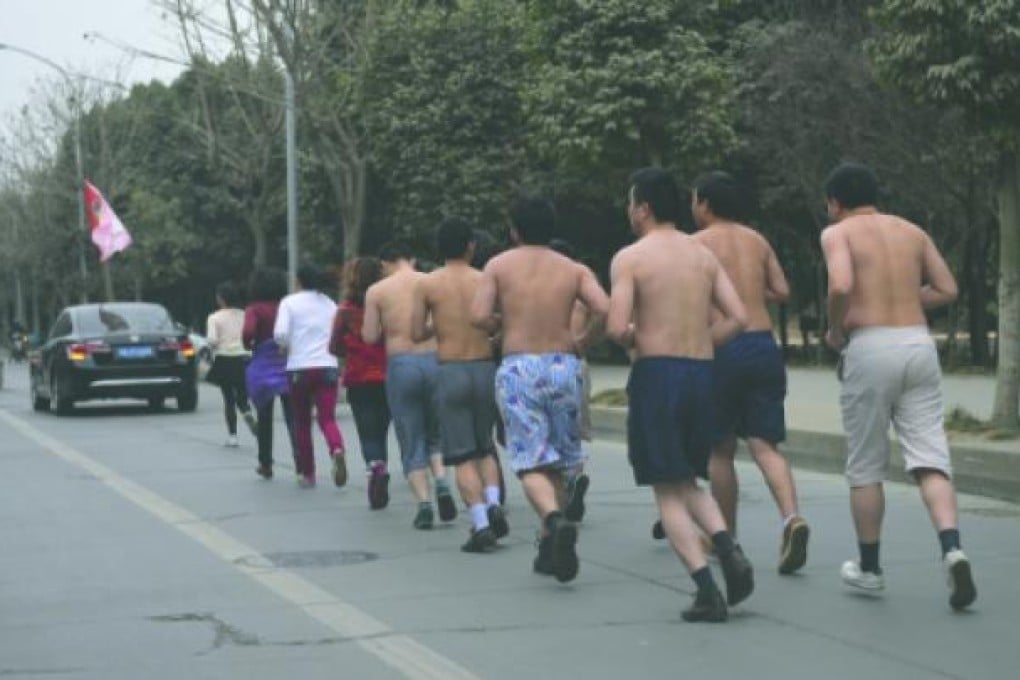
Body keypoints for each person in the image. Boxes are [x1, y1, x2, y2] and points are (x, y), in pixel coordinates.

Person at [820, 161, 976, 610]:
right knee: (930, 456)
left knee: (866, 462)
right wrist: (908, 297)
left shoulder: (839, 233)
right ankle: (952, 548)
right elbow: (947, 288)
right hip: (918, 345)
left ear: (835, 202)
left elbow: (842, 283)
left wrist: (836, 328)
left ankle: (869, 569)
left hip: (870, 347)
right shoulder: (912, 231)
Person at [607, 167, 754, 623]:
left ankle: (706, 588)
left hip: (658, 374)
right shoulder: (702, 255)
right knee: (690, 479)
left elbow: (615, 327)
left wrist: (637, 336)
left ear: (644, 208)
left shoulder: (630, 258)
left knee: (666, 491)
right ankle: (726, 545)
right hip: (702, 372)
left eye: (631, 203)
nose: (629, 212)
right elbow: (738, 317)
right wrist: (703, 340)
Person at [471, 196, 609, 582]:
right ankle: (551, 545)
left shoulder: (498, 265)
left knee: (530, 460)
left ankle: (553, 518)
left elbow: (478, 315)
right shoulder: (573, 269)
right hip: (564, 366)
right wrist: (582, 340)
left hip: (519, 369)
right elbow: (605, 308)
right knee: (563, 460)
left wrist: (503, 323)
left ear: (514, 229)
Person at [690, 171, 810, 575]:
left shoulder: (696, 245)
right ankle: (791, 517)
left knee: (720, 449)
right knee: (765, 445)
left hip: (722, 345)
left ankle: (727, 537)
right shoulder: (756, 240)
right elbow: (782, 291)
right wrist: (751, 290)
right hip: (762, 345)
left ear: (704, 204)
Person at [413, 217, 509, 553]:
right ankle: (495, 502)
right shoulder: (486, 279)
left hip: (451, 369)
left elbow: (415, 332)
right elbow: (499, 323)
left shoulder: (428, 284)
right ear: (471, 245)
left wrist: (439, 324)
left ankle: (481, 525)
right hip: (484, 368)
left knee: (461, 454)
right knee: (484, 446)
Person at [363, 242, 457, 530]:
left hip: (402, 363)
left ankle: (424, 504)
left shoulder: (377, 291)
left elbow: (369, 336)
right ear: (412, 258)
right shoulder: (431, 282)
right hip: (434, 360)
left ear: (384, 264)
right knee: (436, 434)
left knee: (411, 435)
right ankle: (442, 481)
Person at [274, 263, 346, 489]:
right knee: (327, 418)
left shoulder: (289, 303)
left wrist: (285, 346)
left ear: (299, 281)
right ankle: (336, 448)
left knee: (302, 422)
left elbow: (281, 333)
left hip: (299, 368)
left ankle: (308, 473)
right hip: (327, 366)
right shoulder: (330, 304)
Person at [331, 257, 392, 509]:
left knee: (367, 430)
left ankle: (375, 467)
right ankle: (381, 466)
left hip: (358, 377)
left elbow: (334, 345)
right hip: (387, 374)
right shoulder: (388, 306)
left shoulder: (345, 310)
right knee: (382, 429)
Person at [549, 238, 593, 523]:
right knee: (573, 430)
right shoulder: (583, 282)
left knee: (549, 431)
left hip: (549, 358)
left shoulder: (546, 284)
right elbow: (605, 310)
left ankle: (562, 487)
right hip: (578, 361)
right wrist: (585, 340)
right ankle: (574, 476)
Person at [243, 267, 296, 480]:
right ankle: (301, 463)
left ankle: (265, 463)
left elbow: (248, 332)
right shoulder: (287, 306)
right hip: (287, 361)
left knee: (264, 418)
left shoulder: (254, 309)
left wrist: (249, 344)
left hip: (264, 364)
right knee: (293, 417)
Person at [206, 281, 256, 448]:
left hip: (224, 359)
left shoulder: (214, 317)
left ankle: (233, 436)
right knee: (242, 394)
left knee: (228, 398)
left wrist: (213, 346)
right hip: (244, 357)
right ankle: (247, 411)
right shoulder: (244, 315)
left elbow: (212, 340)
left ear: (220, 299)